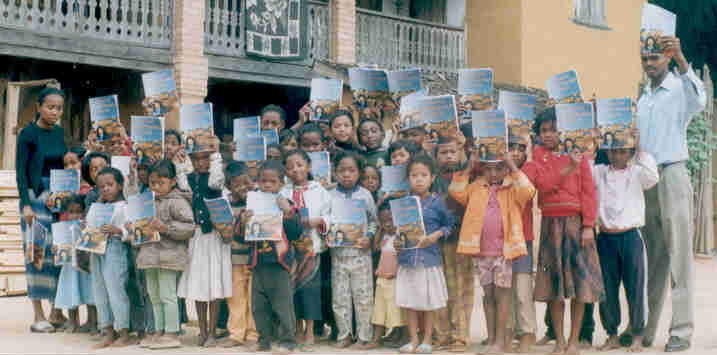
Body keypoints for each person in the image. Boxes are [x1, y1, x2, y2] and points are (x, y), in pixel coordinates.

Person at [634, 35, 706, 352]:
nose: (650, 64)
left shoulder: (679, 89)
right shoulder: (643, 97)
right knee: (653, 259)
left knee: (679, 257)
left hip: (673, 173)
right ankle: (646, 331)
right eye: (645, 59)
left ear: (666, 58)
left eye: (655, 58)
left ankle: (681, 330)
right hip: (646, 179)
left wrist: (680, 57)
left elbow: (700, 100)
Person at [523, 107, 603, 355]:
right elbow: (543, 186)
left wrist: (589, 225)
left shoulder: (579, 156)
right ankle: (558, 341)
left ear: (564, 131)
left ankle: (573, 341)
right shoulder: (538, 155)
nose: (548, 135)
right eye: (544, 130)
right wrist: (569, 167)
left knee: (580, 285)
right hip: (551, 224)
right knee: (555, 287)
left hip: (576, 225)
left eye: (553, 129)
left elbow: (589, 193)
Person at [449, 149, 535, 355]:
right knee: (488, 295)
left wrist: (512, 166)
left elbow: (529, 191)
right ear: (482, 170)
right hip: (481, 253)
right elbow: (455, 190)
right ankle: (492, 340)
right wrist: (470, 165)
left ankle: (501, 341)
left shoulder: (512, 187)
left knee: (503, 296)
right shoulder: (476, 187)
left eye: (498, 168)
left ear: (505, 169)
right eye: (488, 169)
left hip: (504, 252)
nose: (493, 173)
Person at [591, 144, 659, 353]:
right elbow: (582, 170)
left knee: (635, 288)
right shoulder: (600, 172)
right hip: (606, 238)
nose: (617, 155)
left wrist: (639, 148)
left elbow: (653, 176)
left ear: (630, 154)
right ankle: (612, 335)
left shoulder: (637, 173)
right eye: (612, 151)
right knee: (607, 289)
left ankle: (638, 335)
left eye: (622, 151)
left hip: (630, 236)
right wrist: (592, 145)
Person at [16, 86, 68, 333]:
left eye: (58, 108)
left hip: (56, 201)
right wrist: (26, 204)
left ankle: (56, 311)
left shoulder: (59, 133)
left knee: (57, 252)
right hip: (34, 199)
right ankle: (38, 316)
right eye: (50, 107)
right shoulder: (28, 133)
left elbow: (66, 161)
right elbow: (20, 172)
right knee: (36, 254)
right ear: (38, 107)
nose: (54, 112)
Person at [239, 160, 304, 353]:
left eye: (272, 181)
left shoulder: (287, 204)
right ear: (257, 181)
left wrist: (287, 211)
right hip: (258, 262)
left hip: (279, 263)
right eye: (263, 181)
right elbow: (240, 236)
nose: (267, 185)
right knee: (259, 306)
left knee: (283, 305)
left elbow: (296, 232)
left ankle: (288, 341)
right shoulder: (251, 204)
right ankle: (263, 340)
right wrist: (243, 222)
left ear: (282, 184)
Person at [396, 154, 455, 355]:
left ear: (432, 178)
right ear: (408, 178)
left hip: (429, 259)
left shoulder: (438, 202)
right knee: (411, 302)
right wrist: (397, 241)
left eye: (423, 175)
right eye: (414, 175)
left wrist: (436, 235)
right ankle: (413, 340)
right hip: (408, 260)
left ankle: (427, 340)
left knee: (428, 302)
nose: (419, 179)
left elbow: (449, 225)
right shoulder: (403, 203)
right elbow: (399, 231)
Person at [133, 160, 195, 350]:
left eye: (161, 182)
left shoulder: (177, 201)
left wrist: (166, 228)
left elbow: (189, 227)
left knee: (168, 295)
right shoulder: (146, 201)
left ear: (173, 181)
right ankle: (159, 331)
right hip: (149, 255)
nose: (156, 187)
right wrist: (134, 227)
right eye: (153, 183)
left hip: (170, 256)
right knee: (154, 295)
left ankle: (172, 332)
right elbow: (138, 223)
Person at [177, 146, 233, 347]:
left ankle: (211, 332)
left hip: (216, 237)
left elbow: (215, 182)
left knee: (215, 282)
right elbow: (183, 185)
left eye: (205, 158)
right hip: (197, 237)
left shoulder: (217, 180)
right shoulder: (189, 180)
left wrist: (216, 157)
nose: (201, 163)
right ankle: (201, 330)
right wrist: (181, 163)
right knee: (199, 283)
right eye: (196, 159)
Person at [280, 149, 332, 352]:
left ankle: (311, 330)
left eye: (299, 165)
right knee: (293, 290)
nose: (295, 170)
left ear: (308, 166)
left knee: (311, 290)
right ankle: (298, 329)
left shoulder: (319, 190)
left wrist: (318, 221)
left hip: (312, 247)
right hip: (291, 251)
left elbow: (329, 214)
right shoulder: (283, 193)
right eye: (290, 167)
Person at [328, 151, 378, 349]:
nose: (346, 175)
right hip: (338, 255)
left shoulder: (365, 195)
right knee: (339, 297)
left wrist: (369, 237)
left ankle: (364, 336)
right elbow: (324, 221)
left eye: (351, 170)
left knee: (363, 296)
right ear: (335, 172)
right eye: (342, 170)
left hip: (361, 255)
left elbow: (374, 221)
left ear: (358, 173)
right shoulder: (330, 195)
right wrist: (326, 232)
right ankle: (344, 334)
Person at [431, 136, 475, 353]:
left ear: (460, 153)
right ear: (435, 156)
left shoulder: (467, 175)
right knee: (440, 287)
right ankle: (442, 334)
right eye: (442, 152)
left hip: (461, 238)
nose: (448, 156)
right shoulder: (432, 178)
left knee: (462, 287)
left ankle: (460, 335)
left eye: (452, 151)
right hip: (437, 240)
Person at [89, 167, 135, 348]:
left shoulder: (125, 206)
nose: (105, 189)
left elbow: (132, 232)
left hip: (115, 248)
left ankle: (123, 332)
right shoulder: (97, 207)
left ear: (120, 185)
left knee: (116, 291)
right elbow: (90, 223)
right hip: (96, 249)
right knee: (100, 291)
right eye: (101, 187)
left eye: (110, 185)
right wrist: (99, 204)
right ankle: (107, 331)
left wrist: (118, 231)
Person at [218, 161, 259, 348]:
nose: (243, 187)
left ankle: (253, 334)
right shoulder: (227, 205)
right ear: (229, 187)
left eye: (246, 182)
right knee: (235, 297)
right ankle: (236, 334)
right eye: (237, 184)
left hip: (256, 257)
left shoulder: (260, 202)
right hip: (235, 258)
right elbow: (226, 232)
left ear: (253, 180)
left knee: (254, 297)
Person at [507, 140, 538, 353]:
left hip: (522, 237)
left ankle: (527, 333)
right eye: (512, 148)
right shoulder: (494, 168)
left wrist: (512, 166)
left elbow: (527, 191)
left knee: (522, 288)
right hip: (499, 238)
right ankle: (508, 332)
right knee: (504, 289)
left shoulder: (529, 169)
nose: (516, 152)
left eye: (521, 149)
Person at [53, 194, 97, 334]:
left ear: (84, 212)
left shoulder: (87, 226)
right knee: (71, 292)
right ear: (66, 213)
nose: (75, 215)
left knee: (89, 293)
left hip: (85, 265)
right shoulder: (62, 228)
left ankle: (92, 322)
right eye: (71, 212)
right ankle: (72, 322)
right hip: (69, 267)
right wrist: (56, 249)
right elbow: (58, 247)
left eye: (79, 211)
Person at [370, 200, 406, 348]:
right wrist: (379, 229)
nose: (388, 224)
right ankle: (376, 339)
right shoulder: (384, 237)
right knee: (379, 309)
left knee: (396, 311)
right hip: (381, 278)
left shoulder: (400, 238)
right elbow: (374, 247)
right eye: (384, 221)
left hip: (395, 279)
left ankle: (401, 337)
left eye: (391, 220)